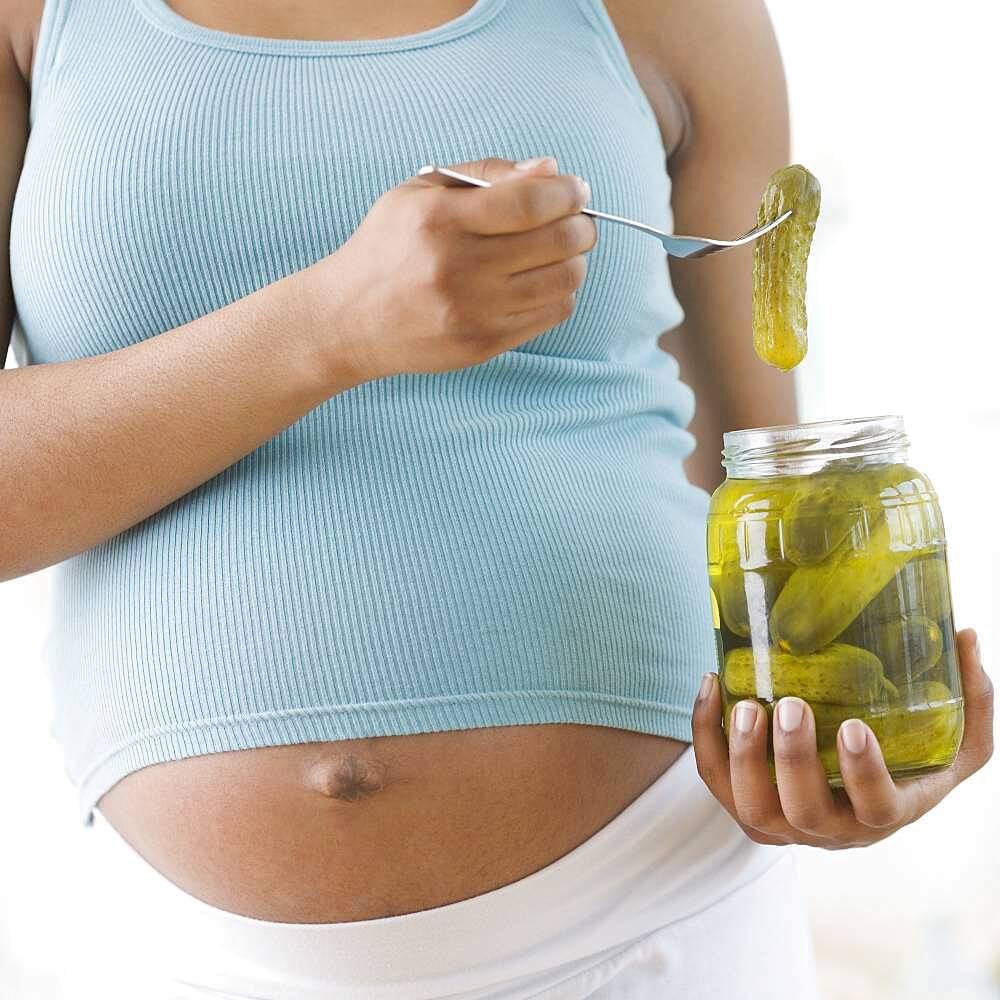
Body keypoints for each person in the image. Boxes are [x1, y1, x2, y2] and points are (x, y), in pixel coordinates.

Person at [1, 0, 992, 997]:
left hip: (657, 917)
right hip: (180, 955)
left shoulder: (682, 16)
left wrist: (832, 757)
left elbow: (768, 480)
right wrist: (327, 325)